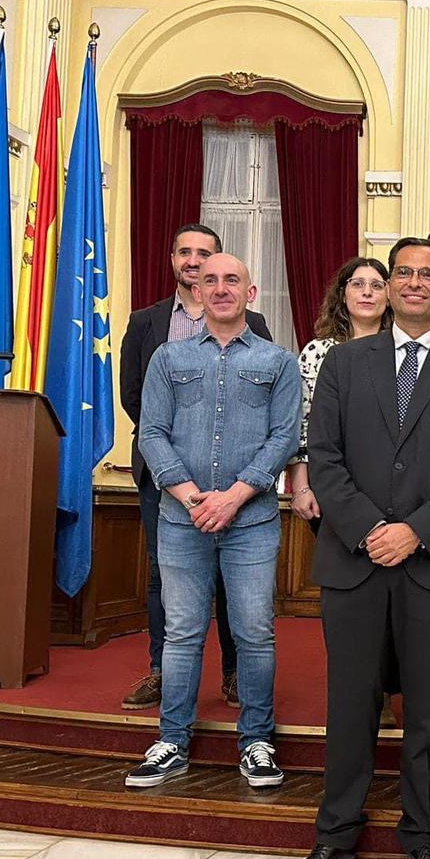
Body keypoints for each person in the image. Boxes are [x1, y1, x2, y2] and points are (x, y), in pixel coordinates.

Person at [280, 237, 430, 859]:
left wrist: (416, 531)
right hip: (354, 557)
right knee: (350, 704)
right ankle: (335, 836)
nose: (412, 283)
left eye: (426, 274)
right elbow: (323, 455)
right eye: (402, 272)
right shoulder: (345, 363)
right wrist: (371, 528)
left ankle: (423, 840)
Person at [126, 253, 299, 791]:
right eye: (210, 281)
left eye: (232, 280)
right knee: (181, 635)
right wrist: (190, 494)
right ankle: (172, 741)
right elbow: (151, 432)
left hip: (252, 521)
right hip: (182, 519)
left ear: (251, 293)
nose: (220, 288)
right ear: (196, 293)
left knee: (254, 633)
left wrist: (234, 497)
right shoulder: (166, 358)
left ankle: (257, 742)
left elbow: (285, 437)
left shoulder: (278, 361)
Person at [118, 224, 271, 712]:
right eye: (185, 252)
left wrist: (226, 486)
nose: (193, 260)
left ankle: (232, 673)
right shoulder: (146, 323)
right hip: (164, 479)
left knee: (233, 581)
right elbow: (135, 397)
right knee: (163, 576)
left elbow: (268, 411)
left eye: (203, 253)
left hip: (237, 486)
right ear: (175, 262)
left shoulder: (257, 324)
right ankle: (163, 672)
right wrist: (179, 475)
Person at [286, 257, 392, 525]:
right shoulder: (317, 352)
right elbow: (302, 425)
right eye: (358, 284)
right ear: (343, 295)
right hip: (328, 491)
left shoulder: (403, 353)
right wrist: (301, 488)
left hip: (391, 490)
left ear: (390, 296)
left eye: (377, 285)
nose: (367, 292)